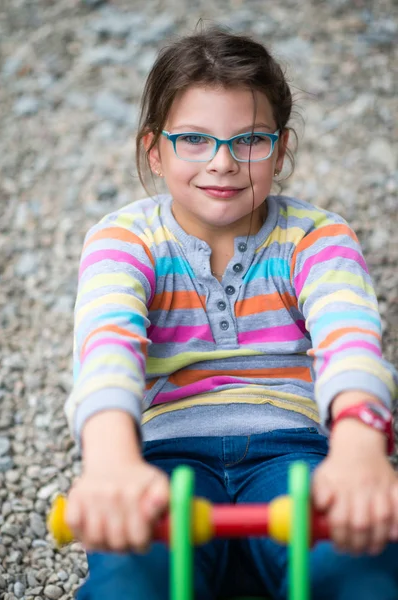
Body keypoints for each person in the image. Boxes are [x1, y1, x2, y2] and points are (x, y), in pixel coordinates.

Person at [64, 25, 398, 600]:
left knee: (359, 569)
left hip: (295, 449)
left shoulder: (316, 237)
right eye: (194, 139)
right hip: (166, 456)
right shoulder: (124, 238)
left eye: (248, 141)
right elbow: (107, 348)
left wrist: (360, 449)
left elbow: (351, 341)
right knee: (131, 579)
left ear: (281, 148)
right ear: (154, 149)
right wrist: (112, 458)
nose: (221, 163)